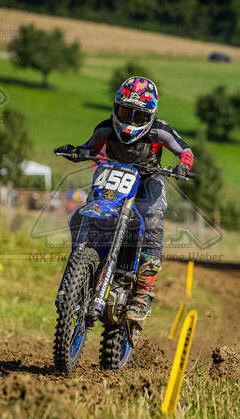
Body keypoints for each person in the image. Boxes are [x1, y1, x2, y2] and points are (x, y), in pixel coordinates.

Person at [55, 76, 194, 326]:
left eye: (137, 116)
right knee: (85, 214)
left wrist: (183, 166)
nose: (129, 121)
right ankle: (75, 276)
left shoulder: (160, 130)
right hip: (110, 180)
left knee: (152, 222)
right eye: (124, 112)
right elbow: (90, 147)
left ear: (150, 115)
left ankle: (143, 294)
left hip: (147, 183)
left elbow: (185, 151)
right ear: (115, 108)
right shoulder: (105, 129)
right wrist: (76, 152)